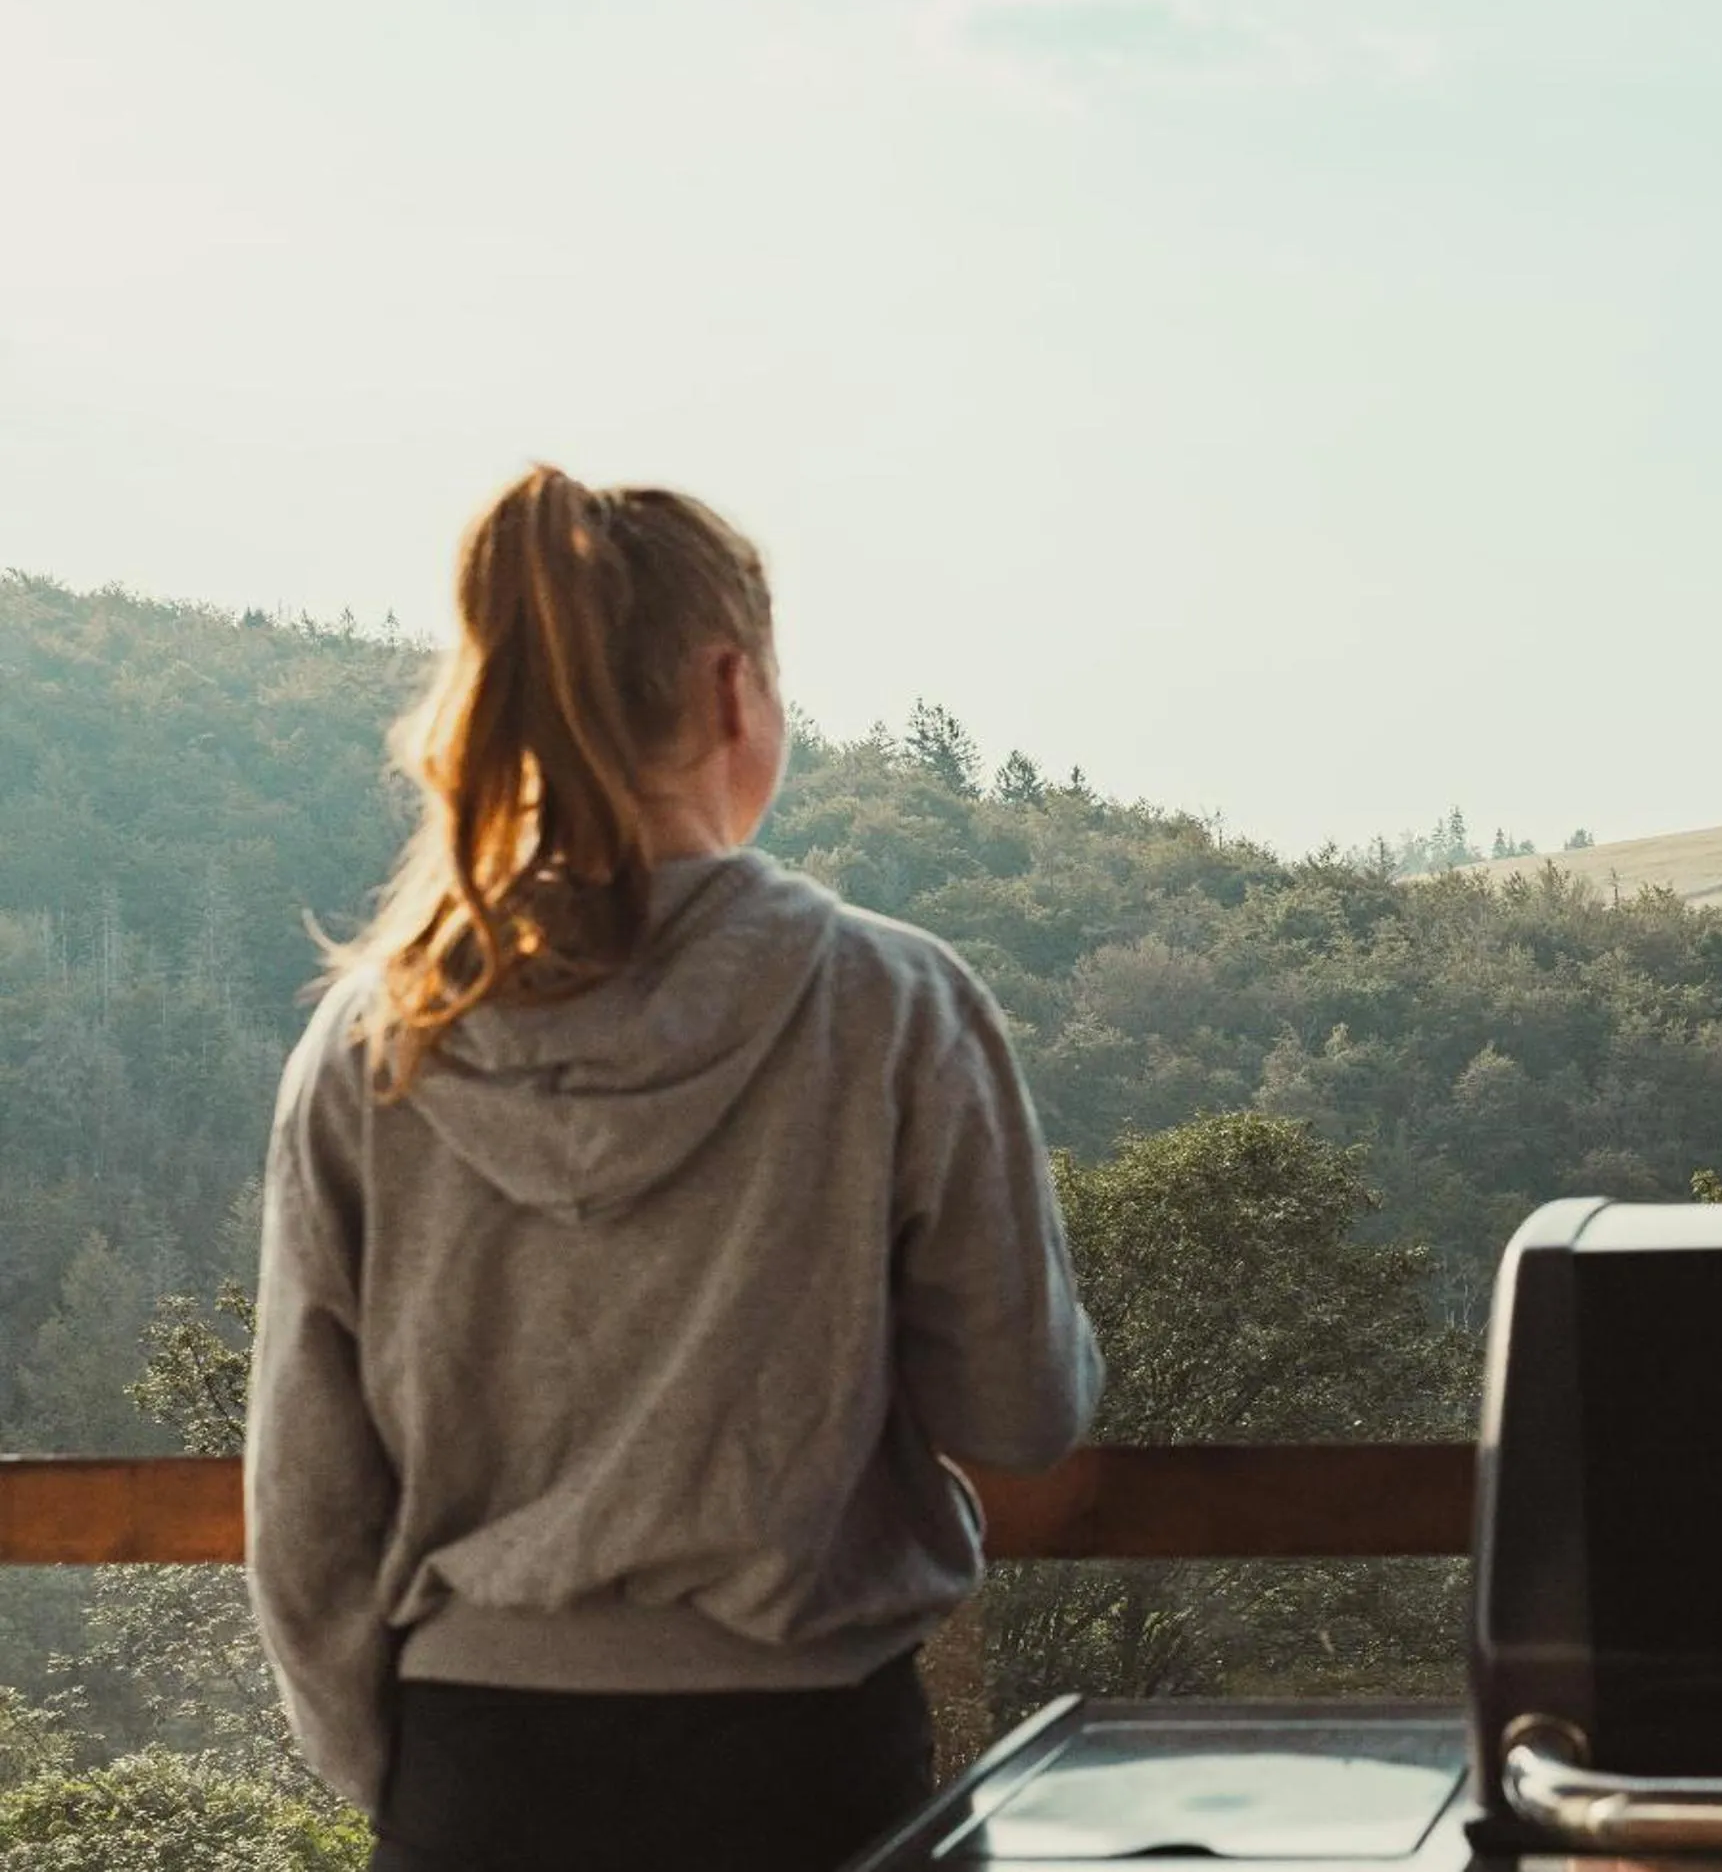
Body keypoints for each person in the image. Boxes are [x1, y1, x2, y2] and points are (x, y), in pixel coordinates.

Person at [244, 465, 1101, 1871]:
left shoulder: (375, 1040)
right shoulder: (891, 1004)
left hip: (475, 1774)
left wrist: (401, 1778)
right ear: (727, 690)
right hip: (808, 1775)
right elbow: (1017, 1411)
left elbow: (307, 1507)